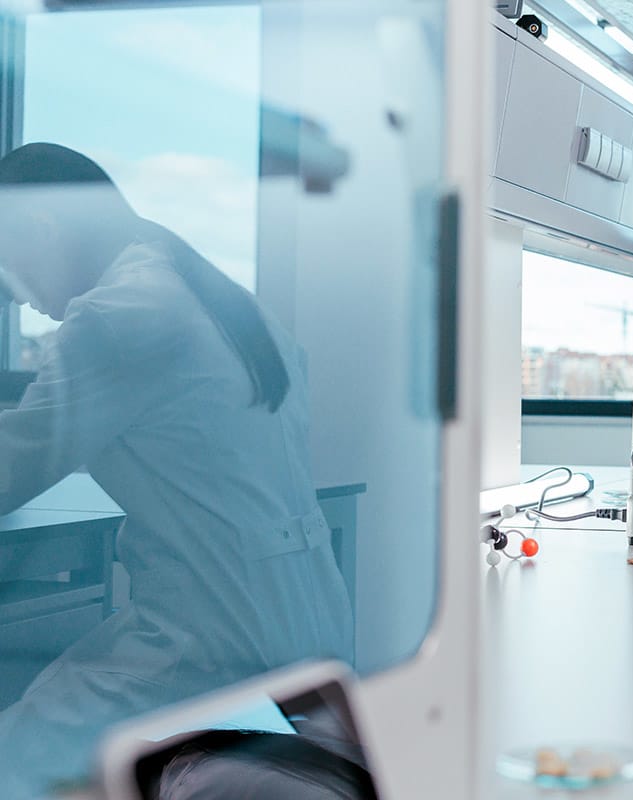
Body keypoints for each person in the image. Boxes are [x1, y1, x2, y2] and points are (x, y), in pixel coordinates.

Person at [0, 143, 352, 799]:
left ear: (41, 232)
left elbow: (12, 471)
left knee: (17, 759)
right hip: (311, 625)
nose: (17, 298)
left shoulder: (116, 315)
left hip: (210, 642)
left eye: (5, 264)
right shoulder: (229, 303)